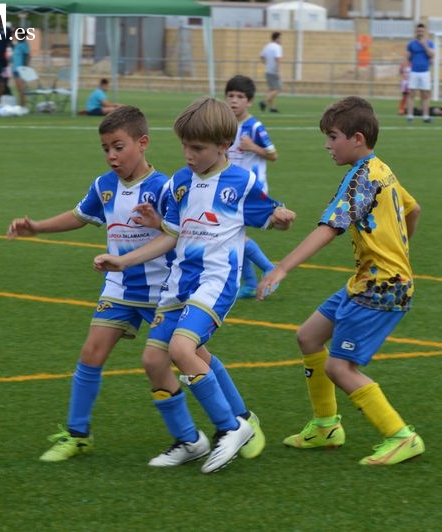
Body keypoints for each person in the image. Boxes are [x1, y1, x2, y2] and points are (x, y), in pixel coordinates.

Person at [94, 97, 295, 473]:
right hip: (179, 284)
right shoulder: (180, 183)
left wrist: (280, 217)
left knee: (182, 348)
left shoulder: (241, 182)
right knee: (153, 360)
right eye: (185, 146)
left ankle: (231, 427)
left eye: (197, 148)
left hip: (216, 282)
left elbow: (270, 214)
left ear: (223, 146)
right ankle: (188, 441)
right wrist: (123, 260)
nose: (188, 155)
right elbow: (171, 235)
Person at [257, 96, 425, 466]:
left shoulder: (360, 179)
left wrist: (282, 267)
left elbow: (330, 228)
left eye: (333, 137)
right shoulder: (382, 169)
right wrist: (399, 251)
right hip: (368, 281)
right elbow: (413, 209)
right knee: (309, 336)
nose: (327, 145)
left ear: (357, 139)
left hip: (381, 288)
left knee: (339, 367)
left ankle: (401, 436)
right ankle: (325, 427)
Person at [6, 106, 175, 462]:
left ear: (143, 143)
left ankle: (234, 420)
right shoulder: (104, 186)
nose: (111, 156)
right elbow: (80, 216)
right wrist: (37, 227)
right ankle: (78, 434)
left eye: (119, 147)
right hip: (119, 286)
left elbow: (178, 232)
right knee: (91, 353)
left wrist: (158, 223)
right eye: (106, 149)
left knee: (191, 358)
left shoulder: (164, 187)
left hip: (163, 290)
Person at [224, 74, 279, 299]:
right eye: (230, 96)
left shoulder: (254, 126)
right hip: (232, 189)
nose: (234, 100)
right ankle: (249, 284)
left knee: (233, 234)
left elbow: (273, 154)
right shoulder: (227, 125)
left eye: (240, 97)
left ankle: (268, 268)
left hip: (252, 189)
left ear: (250, 101)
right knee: (235, 234)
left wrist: (252, 147)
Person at [405, 23, 434, 123]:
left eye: (421, 31)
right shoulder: (411, 44)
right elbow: (408, 57)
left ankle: (426, 116)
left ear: (424, 32)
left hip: (425, 72)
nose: (420, 32)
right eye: (418, 31)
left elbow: (432, 55)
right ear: (416, 31)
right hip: (414, 71)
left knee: (425, 94)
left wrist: (424, 45)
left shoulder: (429, 43)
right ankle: (410, 115)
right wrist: (406, 70)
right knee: (411, 93)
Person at [259, 32, 283, 113]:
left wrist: (267, 63)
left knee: (271, 89)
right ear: (277, 38)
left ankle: (272, 107)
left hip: (268, 70)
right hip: (274, 71)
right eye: (280, 38)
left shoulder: (267, 46)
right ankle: (264, 102)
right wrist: (278, 71)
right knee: (278, 89)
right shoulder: (277, 47)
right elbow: (278, 59)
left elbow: (261, 57)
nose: (281, 40)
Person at [11, 31, 31, 109]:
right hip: (15, 69)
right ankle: (21, 104)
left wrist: (25, 68)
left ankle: (23, 105)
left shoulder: (24, 45)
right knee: (19, 89)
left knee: (21, 88)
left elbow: (28, 56)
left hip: (20, 69)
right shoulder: (17, 45)